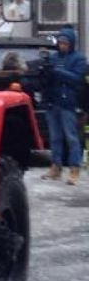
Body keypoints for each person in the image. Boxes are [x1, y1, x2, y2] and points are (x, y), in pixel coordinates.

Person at [41, 26, 88, 185]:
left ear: (71, 43)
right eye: (60, 42)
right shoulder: (53, 58)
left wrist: (57, 72)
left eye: (65, 43)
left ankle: (74, 168)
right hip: (52, 102)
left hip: (69, 104)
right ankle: (56, 166)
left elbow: (77, 79)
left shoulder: (79, 59)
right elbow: (47, 79)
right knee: (55, 138)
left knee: (71, 138)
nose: (62, 46)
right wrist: (45, 72)